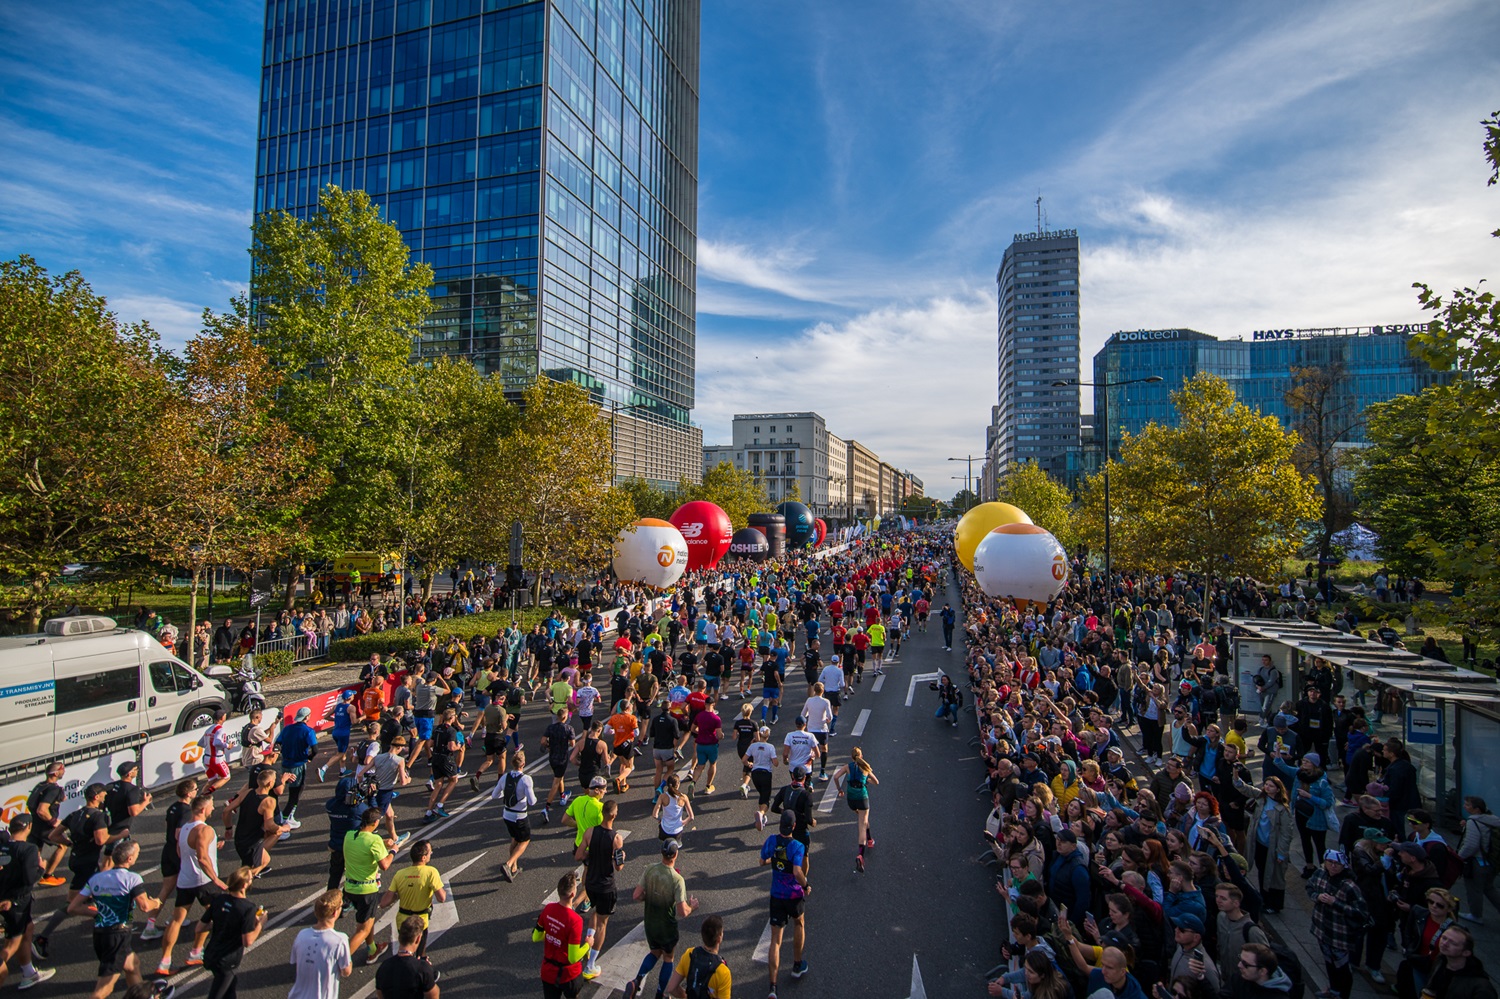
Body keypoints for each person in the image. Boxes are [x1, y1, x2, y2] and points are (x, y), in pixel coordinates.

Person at [67, 839, 162, 999]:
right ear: (129, 859)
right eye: (137, 853)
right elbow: (144, 906)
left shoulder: (96, 878)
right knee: (103, 989)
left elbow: (73, 908)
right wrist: (157, 902)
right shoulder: (132, 879)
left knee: (133, 965)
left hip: (100, 933)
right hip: (118, 935)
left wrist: (98, 913)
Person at [33, 780, 110, 959]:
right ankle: (42, 938)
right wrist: (119, 836)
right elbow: (101, 840)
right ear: (97, 797)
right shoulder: (98, 816)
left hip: (78, 860)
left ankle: (107, 922)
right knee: (72, 905)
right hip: (86, 864)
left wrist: (69, 843)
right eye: (103, 793)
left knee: (98, 893)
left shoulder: (76, 814)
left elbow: (54, 835)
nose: (105, 795)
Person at [155, 794, 225, 976]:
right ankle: (197, 950)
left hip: (185, 880)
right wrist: (216, 880)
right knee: (215, 915)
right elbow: (202, 857)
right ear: (202, 809)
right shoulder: (205, 830)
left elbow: (180, 851)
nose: (213, 809)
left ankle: (165, 961)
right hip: (204, 881)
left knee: (176, 920)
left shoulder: (184, 828)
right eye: (211, 806)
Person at [623, 839, 697, 999]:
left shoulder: (650, 869)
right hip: (666, 927)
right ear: (676, 854)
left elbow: (636, 895)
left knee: (654, 952)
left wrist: (649, 896)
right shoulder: (677, 879)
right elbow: (682, 912)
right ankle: (659, 994)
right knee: (668, 958)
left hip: (650, 923)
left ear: (662, 853)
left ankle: (636, 981)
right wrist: (693, 907)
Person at [0, 814, 57, 990]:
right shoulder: (28, 849)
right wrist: (41, 868)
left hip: (5, 898)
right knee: (12, 943)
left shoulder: (3, 846)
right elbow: (29, 878)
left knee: (28, 929)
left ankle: (28, 973)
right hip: (17, 901)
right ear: (29, 827)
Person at [141, 777, 200, 943]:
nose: (197, 791)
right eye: (195, 789)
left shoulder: (172, 807)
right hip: (177, 852)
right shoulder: (186, 810)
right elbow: (179, 833)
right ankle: (175, 918)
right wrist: (184, 855)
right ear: (188, 793)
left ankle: (150, 925)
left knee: (166, 889)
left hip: (167, 851)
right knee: (188, 886)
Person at [1306, 849, 1370, 999]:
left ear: (1344, 865)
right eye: (1330, 862)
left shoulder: (1349, 886)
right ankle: (1333, 990)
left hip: (1340, 935)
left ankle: (1343, 995)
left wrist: (1336, 903)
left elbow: (1361, 913)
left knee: (1342, 968)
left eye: (1337, 863)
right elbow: (1309, 887)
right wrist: (1316, 896)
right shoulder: (1320, 874)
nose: (1333, 866)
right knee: (1329, 963)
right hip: (1322, 929)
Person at [761, 811, 809, 999]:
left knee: (775, 941)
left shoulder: (772, 841)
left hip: (776, 894)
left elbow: (761, 860)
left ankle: (773, 986)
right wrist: (806, 885)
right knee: (799, 923)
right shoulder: (797, 846)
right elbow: (797, 871)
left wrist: (774, 860)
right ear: (794, 826)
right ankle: (797, 964)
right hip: (794, 895)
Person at [197, 865, 263, 999]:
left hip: (212, 953)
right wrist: (261, 924)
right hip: (227, 960)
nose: (252, 880)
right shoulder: (248, 908)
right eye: (251, 879)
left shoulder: (219, 900)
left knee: (230, 990)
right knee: (218, 993)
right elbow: (248, 941)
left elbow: (199, 928)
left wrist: (223, 921)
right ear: (244, 885)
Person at [580, 799, 626, 980]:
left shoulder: (590, 832)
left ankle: (587, 943)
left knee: (595, 913)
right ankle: (590, 965)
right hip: (606, 887)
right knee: (602, 924)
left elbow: (579, 855)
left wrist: (591, 853)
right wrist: (621, 856)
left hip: (590, 883)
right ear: (614, 815)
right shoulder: (616, 838)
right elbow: (618, 867)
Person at [344, 807, 396, 967]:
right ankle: (341, 961)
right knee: (363, 929)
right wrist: (393, 850)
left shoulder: (349, 835)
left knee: (368, 921)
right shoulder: (374, 841)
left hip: (349, 887)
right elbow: (385, 864)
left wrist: (382, 843)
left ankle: (372, 948)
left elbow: (364, 847)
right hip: (366, 890)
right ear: (375, 822)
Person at [381, 839, 446, 958]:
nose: (431, 854)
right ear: (423, 858)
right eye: (429, 852)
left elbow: (384, 903)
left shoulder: (400, 874)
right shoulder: (431, 872)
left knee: (405, 949)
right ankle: (420, 967)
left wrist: (398, 895)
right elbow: (442, 898)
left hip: (402, 921)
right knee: (420, 953)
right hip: (421, 921)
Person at [288, 890, 353, 999]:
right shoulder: (339, 940)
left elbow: (295, 961)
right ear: (335, 913)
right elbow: (346, 971)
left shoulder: (302, 935)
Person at [534, 872, 590, 999]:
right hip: (569, 976)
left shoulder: (548, 909)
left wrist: (552, 934)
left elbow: (535, 937)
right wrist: (588, 944)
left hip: (548, 973)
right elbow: (573, 957)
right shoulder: (575, 920)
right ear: (573, 894)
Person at [833, 747, 879, 873]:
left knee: (863, 819)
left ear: (851, 757)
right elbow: (876, 782)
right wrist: (866, 781)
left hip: (851, 800)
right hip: (862, 798)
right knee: (862, 826)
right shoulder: (865, 768)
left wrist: (840, 790)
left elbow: (836, 777)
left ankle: (870, 840)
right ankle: (860, 855)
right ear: (861, 756)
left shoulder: (848, 767)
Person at [494, 750, 537, 883]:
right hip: (520, 816)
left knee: (515, 839)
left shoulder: (505, 777)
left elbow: (494, 795)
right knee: (525, 840)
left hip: (507, 814)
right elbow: (532, 801)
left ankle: (514, 867)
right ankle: (508, 864)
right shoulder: (526, 779)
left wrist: (505, 795)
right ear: (523, 764)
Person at [1419, 926, 1496, 999]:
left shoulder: (1481, 987)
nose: (1444, 943)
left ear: (1466, 953)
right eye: (1444, 938)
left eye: (1453, 943)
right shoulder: (1441, 960)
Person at [665, 914, 731, 999]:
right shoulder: (723, 972)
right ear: (719, 938)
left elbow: (671, 988)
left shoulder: (689, 954)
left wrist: (686, 996)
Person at [1456, 795, 1500, 924]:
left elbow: (1471, 845)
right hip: (1491, 861)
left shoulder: (1473, 822)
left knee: (1474, 889)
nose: (1465, 806)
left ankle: (1476, 914)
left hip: (1477, 861)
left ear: (1476, 809)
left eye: (1468, 805)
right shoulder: (1492, 819)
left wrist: (1459, 857)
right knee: (1488, 887)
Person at [276, 706, 321, 830]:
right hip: (298, 765)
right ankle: (285, 819)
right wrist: (309, 757)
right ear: (307, 717)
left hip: (285, 764)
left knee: (288, 790)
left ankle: (288, 815)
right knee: (295, 793)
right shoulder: (308, 731)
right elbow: (315, 749)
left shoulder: (287, 728)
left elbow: (277, 743)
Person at [375, 916, 440, 999]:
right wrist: (428, 973)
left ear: (399, 937)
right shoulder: (422, 969)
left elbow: (380, 995)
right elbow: (434, 995)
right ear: (418, 939)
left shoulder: (384, 967)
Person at [26, 763, 68, 887]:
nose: (64, 771)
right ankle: (48, 876)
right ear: (55, 773)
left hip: (35, 824)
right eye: (62, 770)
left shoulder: (40, 785)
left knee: (35, 852)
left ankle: (27, 876)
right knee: (63, 845)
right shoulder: (54, 789)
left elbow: (31, 803)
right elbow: (42, 810)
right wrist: (53, 821)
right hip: (45, 826)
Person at [1230, 943, 1299, 999]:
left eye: (1245, 964)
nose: (1239, 965)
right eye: (1240, 959)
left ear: (1262, 971)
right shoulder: (1239, 977)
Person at [653, 775, 694, 845]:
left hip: (664, 829)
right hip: (677, 831)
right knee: (674, 849)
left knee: (665, 847)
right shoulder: (684, 797)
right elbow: (691, 817)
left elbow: (654, 815)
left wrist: (660, 820)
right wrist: (683, 823)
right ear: (678, 784)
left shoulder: (662, 797)